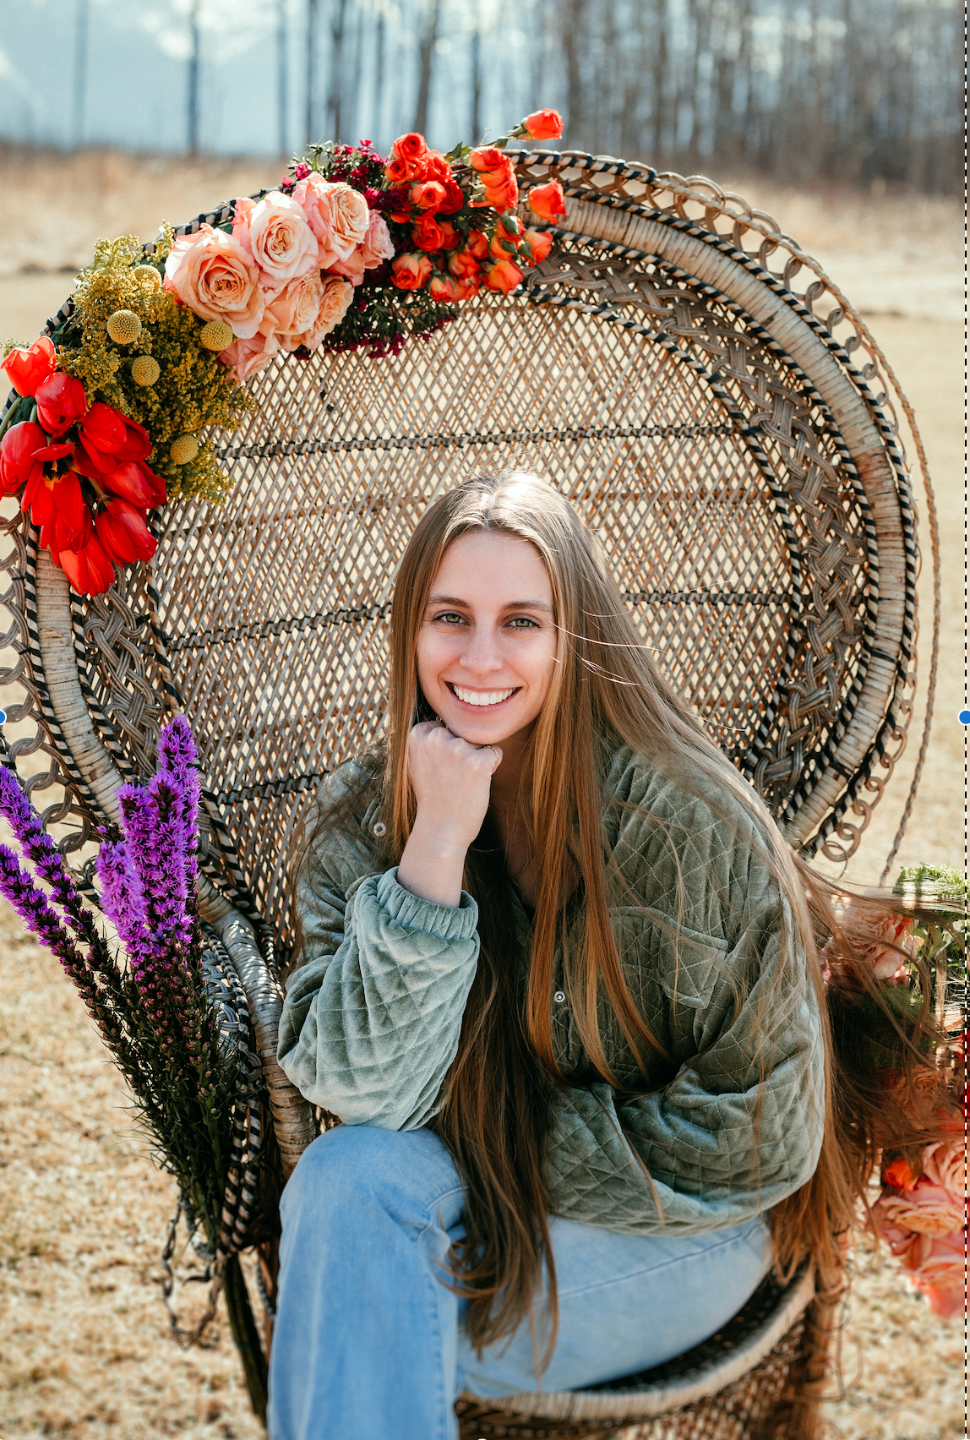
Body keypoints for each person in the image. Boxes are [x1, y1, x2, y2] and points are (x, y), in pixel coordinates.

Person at [266, 470, 911, 1440]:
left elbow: (762, 1137)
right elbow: (367, 1096)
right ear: (410, 629)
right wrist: (435, 845)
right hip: (473, 1204)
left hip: (683, 1233)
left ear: (574, 636)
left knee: (364, 1304)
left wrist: (507, 1142)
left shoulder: (689, 827)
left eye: (521, 622)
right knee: (342, 1178)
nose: (481, 657)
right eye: (451, 617)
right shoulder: (362, 821)